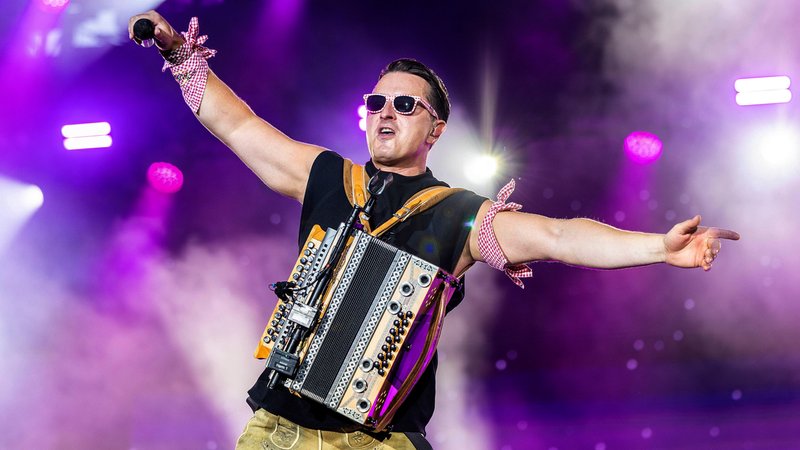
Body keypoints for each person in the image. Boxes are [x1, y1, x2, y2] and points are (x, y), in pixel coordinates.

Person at [128, 11, 740, 450]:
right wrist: (180, 57)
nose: (385, 113)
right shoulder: (325, 176)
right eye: (377, 103)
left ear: (436, 129)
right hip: (275, 432)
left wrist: (658, 248)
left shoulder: (460, 215)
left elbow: (557, 237)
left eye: (404, 105)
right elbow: (237, 126)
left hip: (375, 443)